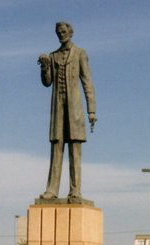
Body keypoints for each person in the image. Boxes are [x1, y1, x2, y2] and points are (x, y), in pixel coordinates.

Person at [38, 21, 97, 202]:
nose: (61, 34)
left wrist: (91, 110)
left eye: (63, 32)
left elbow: (87, 82)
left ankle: (75, 190)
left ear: (70, 33)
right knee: (56, 147)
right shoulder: (53, 56)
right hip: (58, 109)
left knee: (74, 150)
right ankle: (52, 189)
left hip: (75, 110)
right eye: (58, 32)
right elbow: (47, 82)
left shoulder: (80, 54)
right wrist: (45, 67)